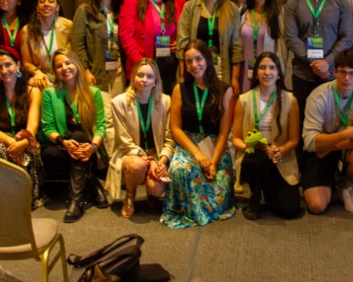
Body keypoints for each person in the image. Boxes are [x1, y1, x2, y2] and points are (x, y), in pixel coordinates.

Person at [163, 40, 237, 228]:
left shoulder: (225, 90)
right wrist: (198, 155)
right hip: (189, 144)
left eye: (198, 59)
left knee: (217, 183)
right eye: (189, 61)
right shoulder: (179, 89)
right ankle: (188, 211)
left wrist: (212, 162)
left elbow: (224, 132)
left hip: (215, 146)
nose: (194, 65)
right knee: (182, 170)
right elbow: (176, 129)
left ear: (208, 60)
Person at [299, 48, 353, 214]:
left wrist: (329, 145)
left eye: (352, 73)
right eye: (342, 72)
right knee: (317, 206)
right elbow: (311, 143)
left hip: (334, 148)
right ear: (334, 71)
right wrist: (345, 134)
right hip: (324, 152)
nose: (347, 78)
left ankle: (347, 186)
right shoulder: (318, 96)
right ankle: (328, 181)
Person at [227, 51, 301, 220]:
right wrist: (251, 147)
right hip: (254, 157)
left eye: (272, 68)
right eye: (262, 68)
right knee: (258, 158)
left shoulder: (290, 100)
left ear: (279, 73)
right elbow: (237, 138)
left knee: (289, 210)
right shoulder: (244, 100)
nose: (267, 72)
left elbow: (294, 139)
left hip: (280, 156)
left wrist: (279, 151)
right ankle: (254, 195)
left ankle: (268, 190)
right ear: (256, 72)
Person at [39, 50, 107, 222]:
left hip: (87, 146)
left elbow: (100, 126)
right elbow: (48, 128)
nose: (65, 68)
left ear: (76, 64)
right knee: (49, 154)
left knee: (79, 135)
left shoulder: (93, 92)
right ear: (54, 71)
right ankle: (90, 180)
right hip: (60, 144)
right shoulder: (49, 93)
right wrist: (64, 142)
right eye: (59, 65)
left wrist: (93, 147)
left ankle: (76, 199)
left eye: (68, 63)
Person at [282, 0, 353, 112]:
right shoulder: (293, 2)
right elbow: (290, 38)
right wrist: (315, 63)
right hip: (303, 74)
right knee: (302, 120)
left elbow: (347, 37)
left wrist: (326, 62)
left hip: (332, 74)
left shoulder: (340, 1)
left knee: (332, 119)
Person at [108, 58, 173, 217]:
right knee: (137, 165)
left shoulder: (165, 101)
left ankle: (152, 194)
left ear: (155, 81)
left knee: (157, 188)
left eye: (149, 77)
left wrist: (162, 161)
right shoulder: (119, 102)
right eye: (140, 75)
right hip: (130, 154)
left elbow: (169, 139)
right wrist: (148, 161)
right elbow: (124, 141)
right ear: (133, 77)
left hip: (156, 154)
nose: (144, 80)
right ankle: (130, 196)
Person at [0, 46, 45, 207]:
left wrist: (23, 143)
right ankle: (5, 198)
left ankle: (25, 198)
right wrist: (12, 144)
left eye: (8, 65)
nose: (4, 70)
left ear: (17, 65)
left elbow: (33, 125)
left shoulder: (32, 91)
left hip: (26, 139)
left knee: (31, 150)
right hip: (0, 139)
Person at [119, 0, 186, 86]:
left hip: (172, 66)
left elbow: (187, 33)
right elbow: (126, 37)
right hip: (142, 67)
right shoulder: (132, 1)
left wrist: (181, 44)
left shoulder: (179, 1)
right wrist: (143, 65)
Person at [176, 0, 243, 91]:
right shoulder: (189, 7)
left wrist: (234, 78)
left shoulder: (231, 8)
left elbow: (236, 46)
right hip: (194, 69)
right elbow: (182, 44)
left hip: (222, 70)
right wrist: (183, 75)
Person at [71, 0, 126, 95]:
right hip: (96, 72)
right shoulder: (85, 10)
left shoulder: (124, 8)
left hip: (119, 70)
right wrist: (85, 71)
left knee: (117, 110)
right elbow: (77, 45)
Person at [239, 0, 284, 92]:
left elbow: (282, 50)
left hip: (268, 75)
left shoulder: (279, 14)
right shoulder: (241, 13)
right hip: (245, 74)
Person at [20, 0, 73, 88]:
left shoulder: (68, 26)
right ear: (37, 7)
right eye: (42, 1)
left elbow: (75, 57)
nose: (46, 4)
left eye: (51, 1)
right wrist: (37, 73)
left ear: (57, 7)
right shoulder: (27, 30)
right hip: (41, 75)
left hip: (64, 72)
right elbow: (26, 63)